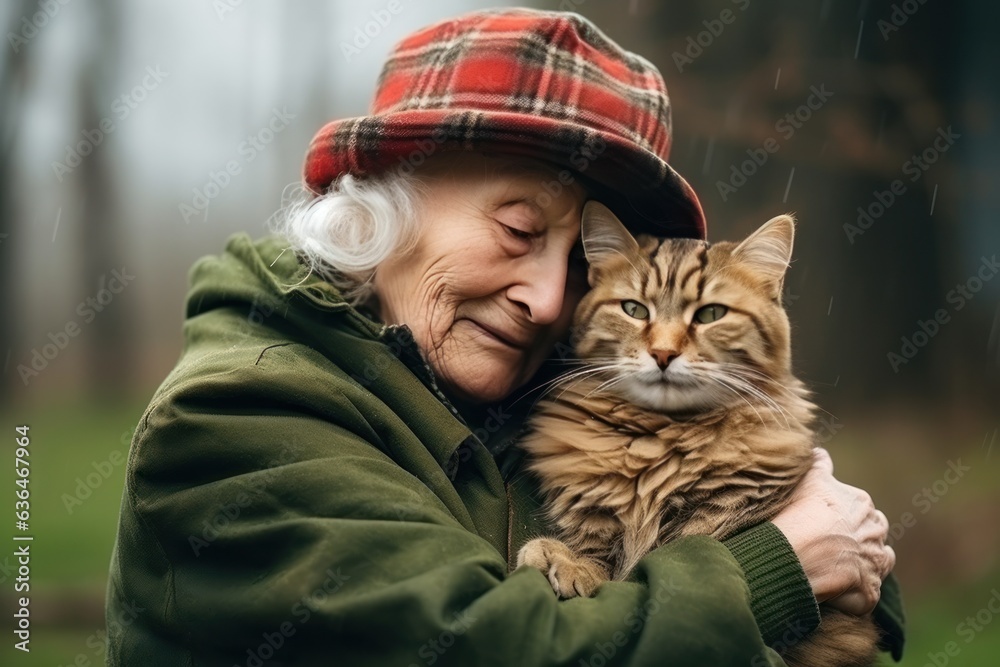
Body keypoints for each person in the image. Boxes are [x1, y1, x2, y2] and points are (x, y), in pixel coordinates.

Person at [105, 8, 904, 666]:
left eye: (581, 265)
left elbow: (852, 563)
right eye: (520, 229)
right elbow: (494, 647)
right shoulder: (231, 425)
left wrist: (837, 537)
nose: (548, 297)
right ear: (388, 200)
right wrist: (774, 571)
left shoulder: (515, 380)